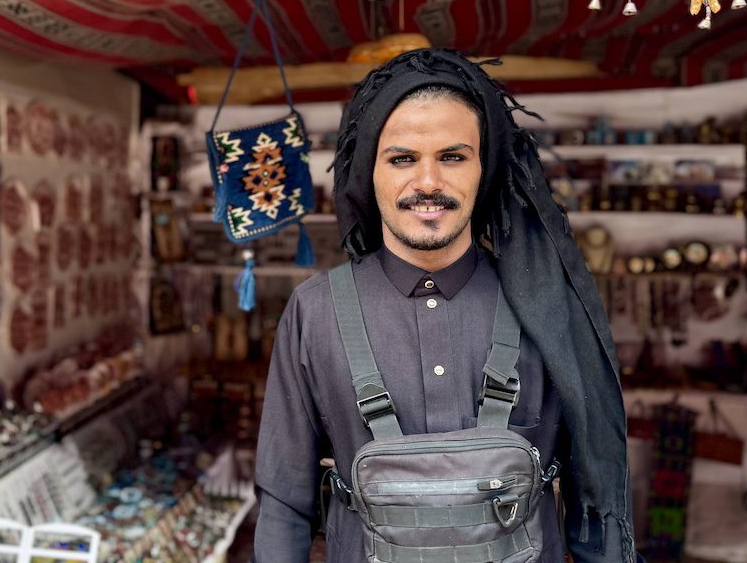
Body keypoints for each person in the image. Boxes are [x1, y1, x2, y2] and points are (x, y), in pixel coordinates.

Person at [253, 49, 635, 562]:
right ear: (370, 173)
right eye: (402, 159)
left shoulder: (551, 308)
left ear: (485, 169)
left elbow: (597, 489)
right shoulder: (314, 312)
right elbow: (283, 503)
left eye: (453, 157)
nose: (428, 182)